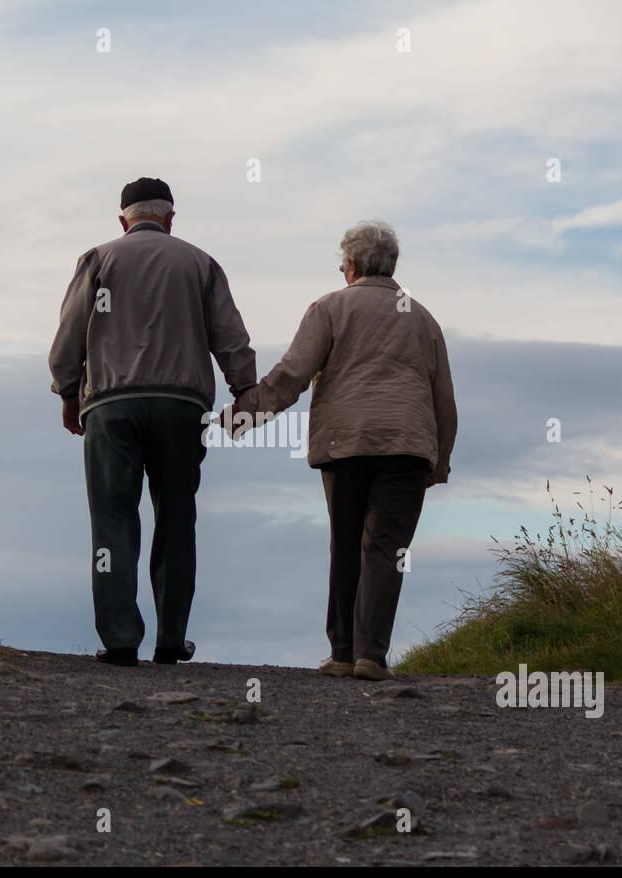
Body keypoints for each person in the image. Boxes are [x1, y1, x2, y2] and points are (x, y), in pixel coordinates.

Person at [226, 221, 456, 680]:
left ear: (349, 267)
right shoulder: (423, 318)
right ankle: (371, 654)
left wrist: (243, 416)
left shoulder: (330, 307)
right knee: (386, 548)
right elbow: (443, 397)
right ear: (392, 266)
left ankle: (344, 653)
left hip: (343, 443)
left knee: (346, 544)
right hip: (407, 446)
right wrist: (440, 459)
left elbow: (292, 374)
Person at [49, 177, 257, 666]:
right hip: (181, 405)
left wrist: (67, 391)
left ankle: (120, 638)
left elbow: (69, 335)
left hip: (110, 405)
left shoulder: (98, 259)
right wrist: (244, 390)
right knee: (177, 519)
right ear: (170, 217)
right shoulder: (200, 263)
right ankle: (170, 639)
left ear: (123, 219)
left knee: (113, 520)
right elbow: (231, 337)